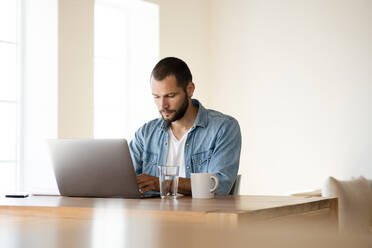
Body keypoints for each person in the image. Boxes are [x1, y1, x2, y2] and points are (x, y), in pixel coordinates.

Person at [129, 57, 241, 195]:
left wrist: (161, 183)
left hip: (202, 216)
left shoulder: (223, 128)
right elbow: (124, 182)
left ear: (189, 89)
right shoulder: (145, 134)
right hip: (153, 215)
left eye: (170, 95)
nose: (162, 105)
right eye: (156, 97)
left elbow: (219, 186)